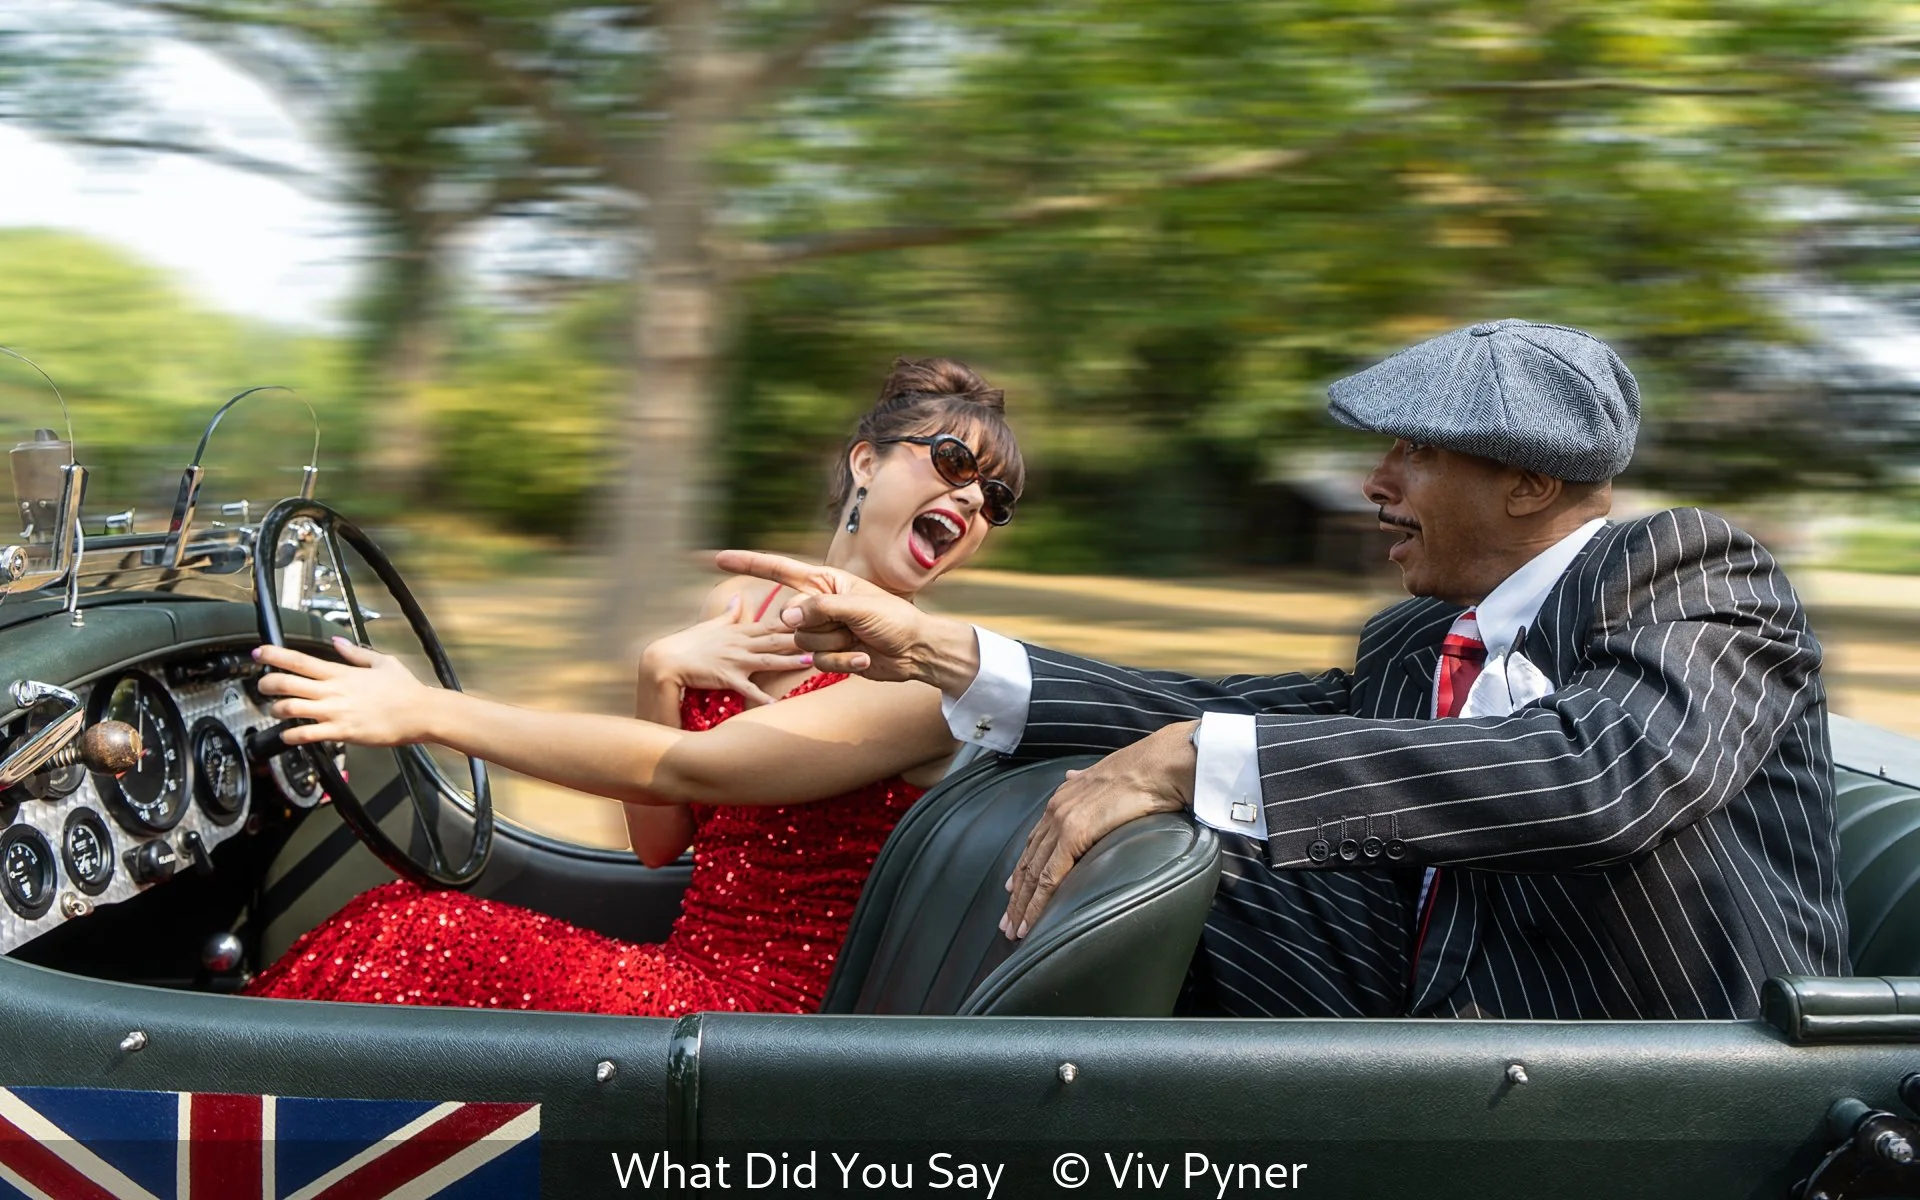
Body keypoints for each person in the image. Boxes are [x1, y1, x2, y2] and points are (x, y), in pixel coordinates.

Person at [721, 319, 1846, 1022]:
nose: (1375, 483)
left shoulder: (1693, 570)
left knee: (1202, 797)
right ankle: (920, 1112)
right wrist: (933, 648)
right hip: (1428, 1018)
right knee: (1145, 845)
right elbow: (1225, 709)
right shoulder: (1415, 638)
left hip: (1662, 1064)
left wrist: (1189, 758)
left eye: (1412, 451)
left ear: (1528, 483)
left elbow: (1598, 776)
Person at [242, 356, 1025, 1016]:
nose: (971, 499)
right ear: (866, 463)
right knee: (392, 914)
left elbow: (695, 768)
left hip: (764, 1019)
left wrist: (425, 711)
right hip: (685, 975)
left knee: (413, 939)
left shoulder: (922, 682)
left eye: (994, 499)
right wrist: (660, 670)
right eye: (955, 463)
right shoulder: (740, 610)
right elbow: (657, 845)